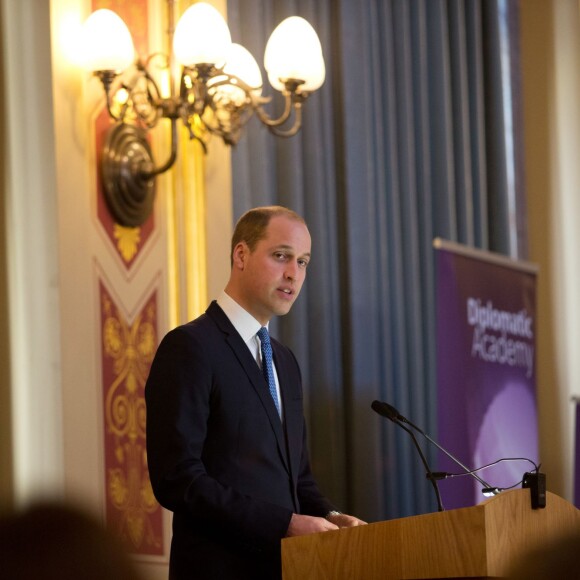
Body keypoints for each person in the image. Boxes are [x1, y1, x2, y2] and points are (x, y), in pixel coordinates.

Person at [145, 206, 365, 580]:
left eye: (304, 262)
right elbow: (177, 479)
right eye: (281, 256)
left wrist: (328, 516)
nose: (294, 273)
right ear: (241, 255)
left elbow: (298, 479)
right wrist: (285, 524)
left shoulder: (285, 361)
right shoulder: (190, 347)